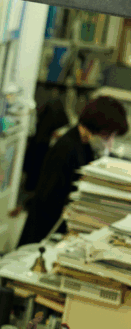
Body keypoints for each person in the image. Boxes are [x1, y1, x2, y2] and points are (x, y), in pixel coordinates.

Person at [19, 95, 128, 246]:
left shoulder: (85, 145)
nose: (110, 142)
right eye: (107, 135)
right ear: (93, 128)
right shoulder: (66, 149)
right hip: (46, 234)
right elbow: (50, 203)